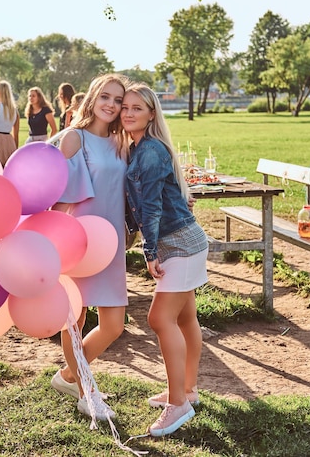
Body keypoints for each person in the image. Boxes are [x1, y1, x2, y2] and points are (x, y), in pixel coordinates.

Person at [121, 83, 207, 437]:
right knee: (185, 317)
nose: (128, 113)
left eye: (136, 108)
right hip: (183, 239)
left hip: (180, 244)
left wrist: (150, 251)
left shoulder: (151, 151)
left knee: (159, 318)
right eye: (125, 107)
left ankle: (178, 405)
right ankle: (187, 390)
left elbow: (152, 206)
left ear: (151, 113)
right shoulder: (136, 148)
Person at [50, 73, 130, 421]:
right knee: (75, 319)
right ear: (93, 98)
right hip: (78, 238)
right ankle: (87, 392)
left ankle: (68, 375)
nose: (111, 105)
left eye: (118, 100)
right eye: (106, 97)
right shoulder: (74, 138)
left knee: (114, 325)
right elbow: (54, 194)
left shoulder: (121, 142)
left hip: (111, 240)